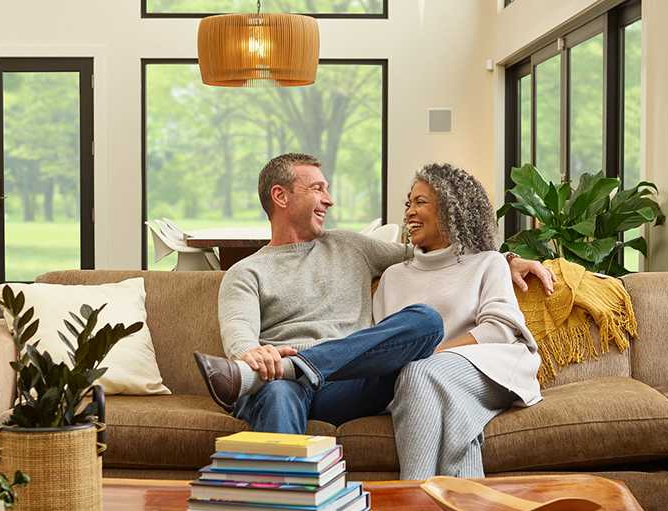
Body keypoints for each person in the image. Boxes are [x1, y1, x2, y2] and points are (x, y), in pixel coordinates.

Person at [193, 153, 553, 435]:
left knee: (424, 320)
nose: (329, 199)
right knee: (276, 390)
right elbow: (240, 340)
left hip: (349, 384)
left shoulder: (350, 246)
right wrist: (253, 357)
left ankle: (298, 368)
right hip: (279, 384)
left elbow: (439, 252)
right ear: (280, 195)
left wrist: (507, 259)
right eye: (317, 188)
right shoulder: (246, 273)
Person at [376, 163, 543, 479]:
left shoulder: (488, 263)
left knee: (417, 371)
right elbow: (386, 345)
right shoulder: (392, 277)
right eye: (408, 203)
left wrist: (432, 357)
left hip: (491, 368)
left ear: (452, 208)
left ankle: (414, 496)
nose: (410, 212)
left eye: (420, 202)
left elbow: (498, 330)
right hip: (423, 382)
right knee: (432, 391)